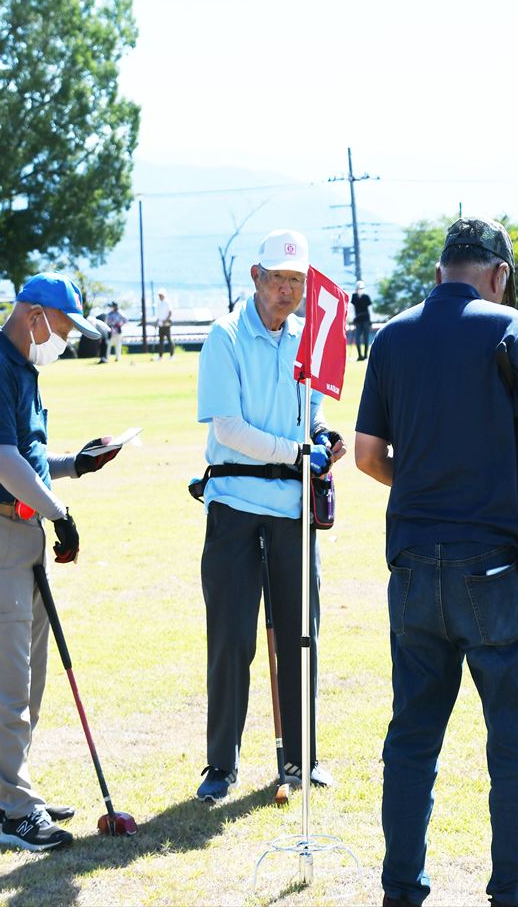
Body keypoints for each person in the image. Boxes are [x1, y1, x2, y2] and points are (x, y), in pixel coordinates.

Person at [356, 217, 518, 907]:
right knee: (513, 734)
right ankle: (513, 890)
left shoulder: (390, 336)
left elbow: (367, 456)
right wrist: (495, 467)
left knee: (412, 733)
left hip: (413, 561)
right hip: (493, 562)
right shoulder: (511, 327)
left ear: (442, 268)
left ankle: (401, 890)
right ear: (498, 272)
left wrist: (421, 482)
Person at [0, 271, 122, 852]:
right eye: (64, 327)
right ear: (35, 316)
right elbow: (1, 462)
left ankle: (10, 795)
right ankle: (16, 810)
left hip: (20, 533)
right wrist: (60, 511)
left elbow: (31, 456)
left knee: (30, 674)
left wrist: (78, 463)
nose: (65, 339)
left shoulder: (22, 368)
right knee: (8, 681)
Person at [193, 228, 346, 804]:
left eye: (297, 282)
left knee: (301, 636)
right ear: (255, 278)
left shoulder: (307, 338)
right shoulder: (224, 336)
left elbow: (311, 411)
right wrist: (296, 451)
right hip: (234, 505)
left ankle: (299, 761)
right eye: (278, 279)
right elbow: (227, 428)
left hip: (290, 510)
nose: (287, 291)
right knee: (232, 636)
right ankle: (220, 766)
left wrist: (321, 435)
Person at [350, 280, 373, 361]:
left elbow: (370, 309)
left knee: (366, 338)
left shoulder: (366, 297)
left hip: (366, 319)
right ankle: (360, 355)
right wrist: (352, 318)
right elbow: (352, 308)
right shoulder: (354, 296)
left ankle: (365, 356)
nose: (360, 289)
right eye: (358, 288)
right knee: (357, 338)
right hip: (358, 320)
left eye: (361, 288)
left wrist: (371, 320)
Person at [155, 288, 174, 358]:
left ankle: (172, 355)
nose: (159, 297)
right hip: (160, 324)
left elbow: (170, 312)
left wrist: (166, 321)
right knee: (161, 341)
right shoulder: (159, 303)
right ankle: (160, 356)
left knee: (169, 340)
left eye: (160, 295)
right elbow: (159, 314)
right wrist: (157, 321)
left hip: (166, 324)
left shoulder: (167, 302)